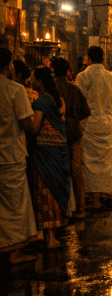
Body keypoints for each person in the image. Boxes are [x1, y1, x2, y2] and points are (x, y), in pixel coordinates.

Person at [0, 48, 39, 263]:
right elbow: (28, 124)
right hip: (10, 154)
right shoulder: (15, 90)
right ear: (8, 67)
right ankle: (14, 251)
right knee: (14, 204)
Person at [27, 67, 70, 249]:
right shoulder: (55, 99)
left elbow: (35, 127)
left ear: (40, 81)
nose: (31, 80)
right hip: (57, 150)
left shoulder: (42, 101)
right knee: (53, 190)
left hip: (45, 153)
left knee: (45, 191)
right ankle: (50, 236)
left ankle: (50, 237)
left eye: (33, 78)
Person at [76, 46, 112, 208]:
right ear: (103, 59)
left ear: (88, 58)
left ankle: (94, 198)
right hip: (107, 122)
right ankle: (111, 195)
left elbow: (79, 100)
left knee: (89, 161)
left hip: (90, 123)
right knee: (107, 161)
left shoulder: (83, 76)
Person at [51, 56, 90, 219]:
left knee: (57, 169)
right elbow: (86, 111)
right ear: (67, 71)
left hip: (56, 133)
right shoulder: (74, 89)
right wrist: (73, 119)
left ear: (52, 70)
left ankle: (61, 208)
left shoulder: (51, 89)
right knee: (76, 170)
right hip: (74, 132)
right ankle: (80, 208)